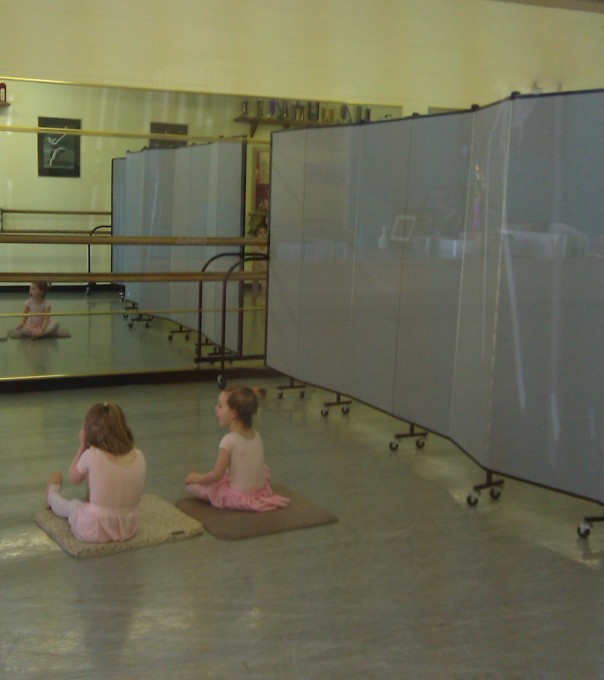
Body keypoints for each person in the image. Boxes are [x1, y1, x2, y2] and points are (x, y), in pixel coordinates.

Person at [46, 402, 146, 543]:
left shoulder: (92, 455)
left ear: (88, 432)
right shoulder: (139, 454)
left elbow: (73, 477)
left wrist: (82, 446)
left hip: (95, 529)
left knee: (73, 506)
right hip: (128, 526)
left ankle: (52, 493)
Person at [185, 385, 290, 511]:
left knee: (191, 486)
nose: (216, 409)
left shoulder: (228, 440)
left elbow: (217, 475)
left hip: (238, 497)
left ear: (233, 413)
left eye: (220, 406)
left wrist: (197, 478)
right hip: (260, 492)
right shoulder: (257, 435)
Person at [251, 219, 268, 306]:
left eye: (264, 232)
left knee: (264, 285)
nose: (262, 235)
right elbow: (254, 259)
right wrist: (257, 268)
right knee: (255, 285)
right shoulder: (255, 245)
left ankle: (263, 300)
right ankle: (254, 300)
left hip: (265, 267)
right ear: (256, 234)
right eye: (260, 233)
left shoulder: (268, 246)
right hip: (256, 267)